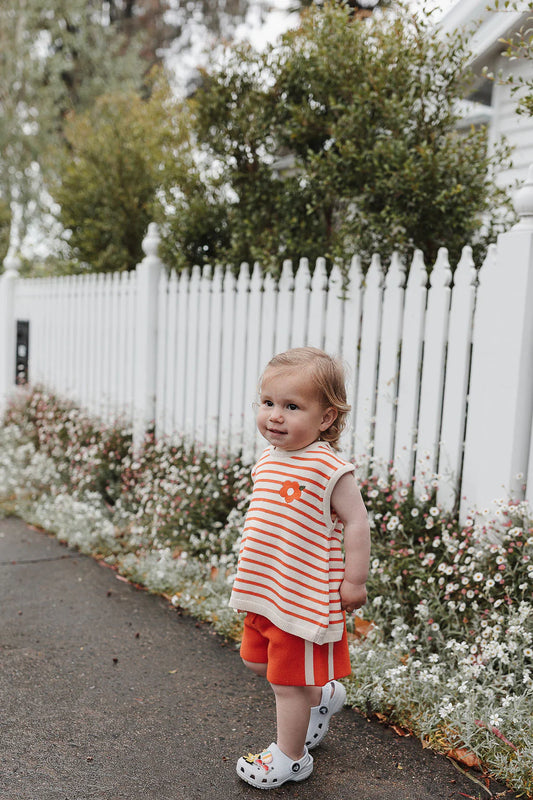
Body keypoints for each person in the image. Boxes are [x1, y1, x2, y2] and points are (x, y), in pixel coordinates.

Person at [229, 346, 371, 789]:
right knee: (257, 663)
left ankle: (291, 758)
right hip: (266, 590)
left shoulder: (329, 467)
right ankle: (321, 697)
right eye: (268, 403)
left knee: (286, 683)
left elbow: (357, 521)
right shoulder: (268, 460)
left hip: (302, 596)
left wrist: (354, 579)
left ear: (326, 418)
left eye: (292, 407)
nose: (275, 416)